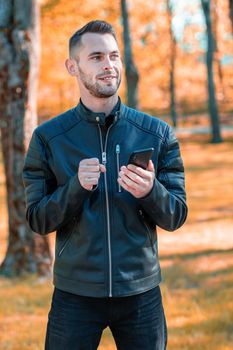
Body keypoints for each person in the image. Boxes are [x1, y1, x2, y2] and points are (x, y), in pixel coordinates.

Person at [22, 20, 187, 350]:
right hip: (75, 295)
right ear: (73, 66)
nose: (109, 65)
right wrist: (75, 187)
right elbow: (38, 220)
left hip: (141, 294)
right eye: (96, 57)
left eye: (114, 55)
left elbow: (175, 216)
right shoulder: (48, 138)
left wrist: (149, 191)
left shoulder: (157, 134)